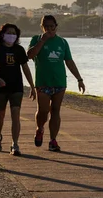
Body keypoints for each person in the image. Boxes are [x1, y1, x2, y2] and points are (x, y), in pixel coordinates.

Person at [27, 15, 86, 152]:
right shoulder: (36, 39)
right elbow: (29, 55)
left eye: (51, 27)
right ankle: (40, 128)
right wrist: (42, 41)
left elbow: (69, 62)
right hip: (43, 82)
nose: (49, 29)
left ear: (56, 26)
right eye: (46, 27)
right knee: (43, 111)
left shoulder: (62, 42)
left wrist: (79, 79)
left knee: (55, 111)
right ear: (42, 27)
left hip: (59, 82)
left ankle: (53, 140)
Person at [0, 23, 36, 156]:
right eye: (9, 33)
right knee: (0, 115)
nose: (11, 35)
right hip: (0, 87)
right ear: (3, 34)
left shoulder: (19, 50)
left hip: (16, 87)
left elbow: (25, 68)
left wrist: (32, 86)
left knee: (16, 115)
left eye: (14, 33)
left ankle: (15, 144)